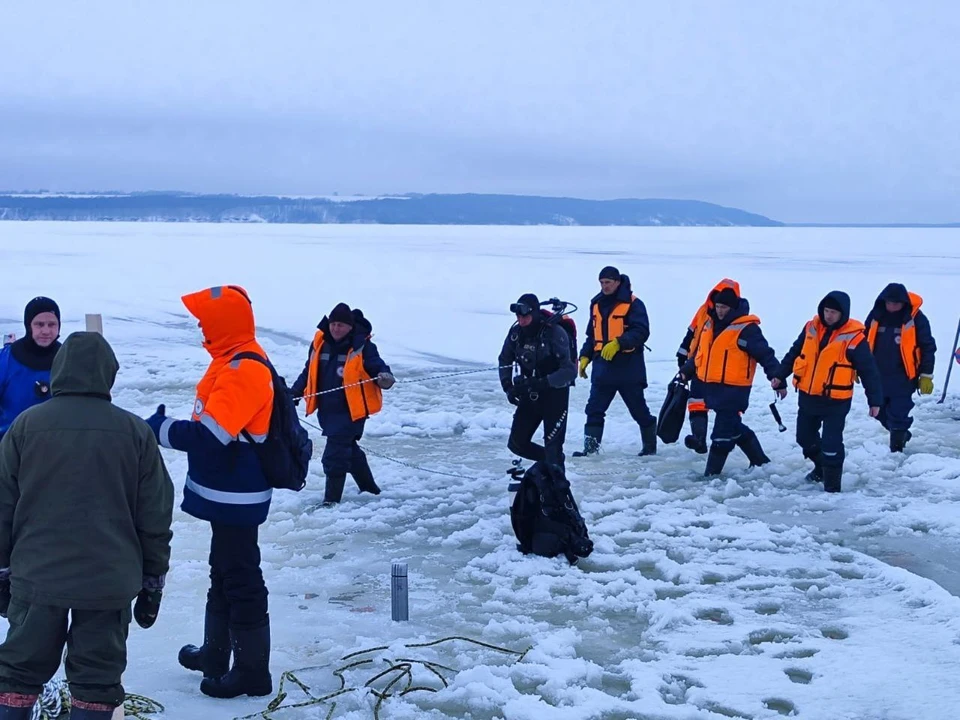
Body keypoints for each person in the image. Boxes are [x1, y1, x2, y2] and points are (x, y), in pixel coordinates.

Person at [0, 332, 174, 720]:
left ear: (60, 370)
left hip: (37, 576)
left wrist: (2, 571)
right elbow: (155, 515)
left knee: (17, 674)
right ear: (108, 373)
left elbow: (2, 506)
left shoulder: (26, 426)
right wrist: (153, 580)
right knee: (97, 679)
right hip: (109, 582)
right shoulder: (135, 432)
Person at [146, 285, 274, 699]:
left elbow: (210, 435)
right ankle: (216, 655)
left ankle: (253, 672)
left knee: (240, 577)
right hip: (228, 493)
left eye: (206, 320)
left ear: (224, 324)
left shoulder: (243, 368)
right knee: (224, 572)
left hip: (238, 495)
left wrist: (159, 430)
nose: (201, 326)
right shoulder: (230, 361)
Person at [773, 291, 883, 493]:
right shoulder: (810, 328)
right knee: (804, 438)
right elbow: (794, 353)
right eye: (826, 311)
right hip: (808, 397)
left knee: (831, 444)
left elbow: (869, 372)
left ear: (843, 314)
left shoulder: (855, 338)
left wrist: (874, 401)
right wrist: (780, 376)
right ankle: (821, 468)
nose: (829, 315)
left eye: (833, 312)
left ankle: (832, 488)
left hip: (836, 401)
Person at [290, 303, 394, 506]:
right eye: (333, 324)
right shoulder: (320, 343)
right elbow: (308, 372)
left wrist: (385, 377)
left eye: (341, 325)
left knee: (335, 455)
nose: (336, 328)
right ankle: (370, 489)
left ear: (350, 327)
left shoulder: (362, 346)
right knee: (349, 450)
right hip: (328, 411)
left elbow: (377, 366)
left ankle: (331, 502)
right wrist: (294, 393)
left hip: (352, 412)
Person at [678, 282, 780, 476]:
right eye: (717, 307)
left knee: (721, 435)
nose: (720, 311)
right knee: (733, 426)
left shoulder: (746, 329)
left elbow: (765, 355)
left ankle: (710, 476)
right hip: (712, 387)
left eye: (723, 307)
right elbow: (701, 354)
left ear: (732, 308)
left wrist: (777, 378)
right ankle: (760, 461)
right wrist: (686, 370)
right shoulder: (709, 324)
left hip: (735, 390)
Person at [574, 267, 656, 457]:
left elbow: (641, 331)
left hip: (629, 369)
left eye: (608, 282)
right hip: (603, 370)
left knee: (639, 411)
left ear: (617, 282)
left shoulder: (634, 304)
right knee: (594, 409)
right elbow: (592, 336)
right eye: (601, 283)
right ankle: (590, 451)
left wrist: (619, 343)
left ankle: (650, 449)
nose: (604, 286)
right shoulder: (596, 304)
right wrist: (585, 356)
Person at [498, 294, 577, 471]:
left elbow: (570, 371)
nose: (521, 320)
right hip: (530, 392)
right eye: (518, 317)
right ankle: (551, 463)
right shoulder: (516, 334)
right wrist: (508, 387)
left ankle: (555, 474)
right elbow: (504, 360)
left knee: (553, 447)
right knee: (517, 444)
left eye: (525, 316)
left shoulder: (555, 333)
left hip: (555, 394)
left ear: (534, 313)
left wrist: (543, 383)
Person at [864, 283, 936, 451]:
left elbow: (927, 346)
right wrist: (856, 367)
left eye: (896, 303)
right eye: (889, 302)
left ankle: (896, 449)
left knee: (898, 413)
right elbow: (860, 341)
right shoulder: (876, 316)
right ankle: (901, 432)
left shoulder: (916, 319)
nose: (892, 306)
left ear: (904, 303)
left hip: (903, 376)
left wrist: (926, 374)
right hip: (877, 375)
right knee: (878, 412)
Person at [676, 280, 741, 454]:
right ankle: (699, 440)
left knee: (728, 414)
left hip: (724, 374)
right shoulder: (704, 310)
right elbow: (691, 332)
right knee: (696, 402)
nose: (719, 308)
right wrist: (682, 355)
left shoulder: (738, 320)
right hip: (699, 363)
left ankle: (751, 452)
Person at [0, 297, 62, 441]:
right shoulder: (6, 360)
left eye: (52, 324)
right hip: (9, 447)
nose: (46, 331)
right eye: (39, 324)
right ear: (29, 325)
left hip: (56, 447)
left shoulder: (69, 359)